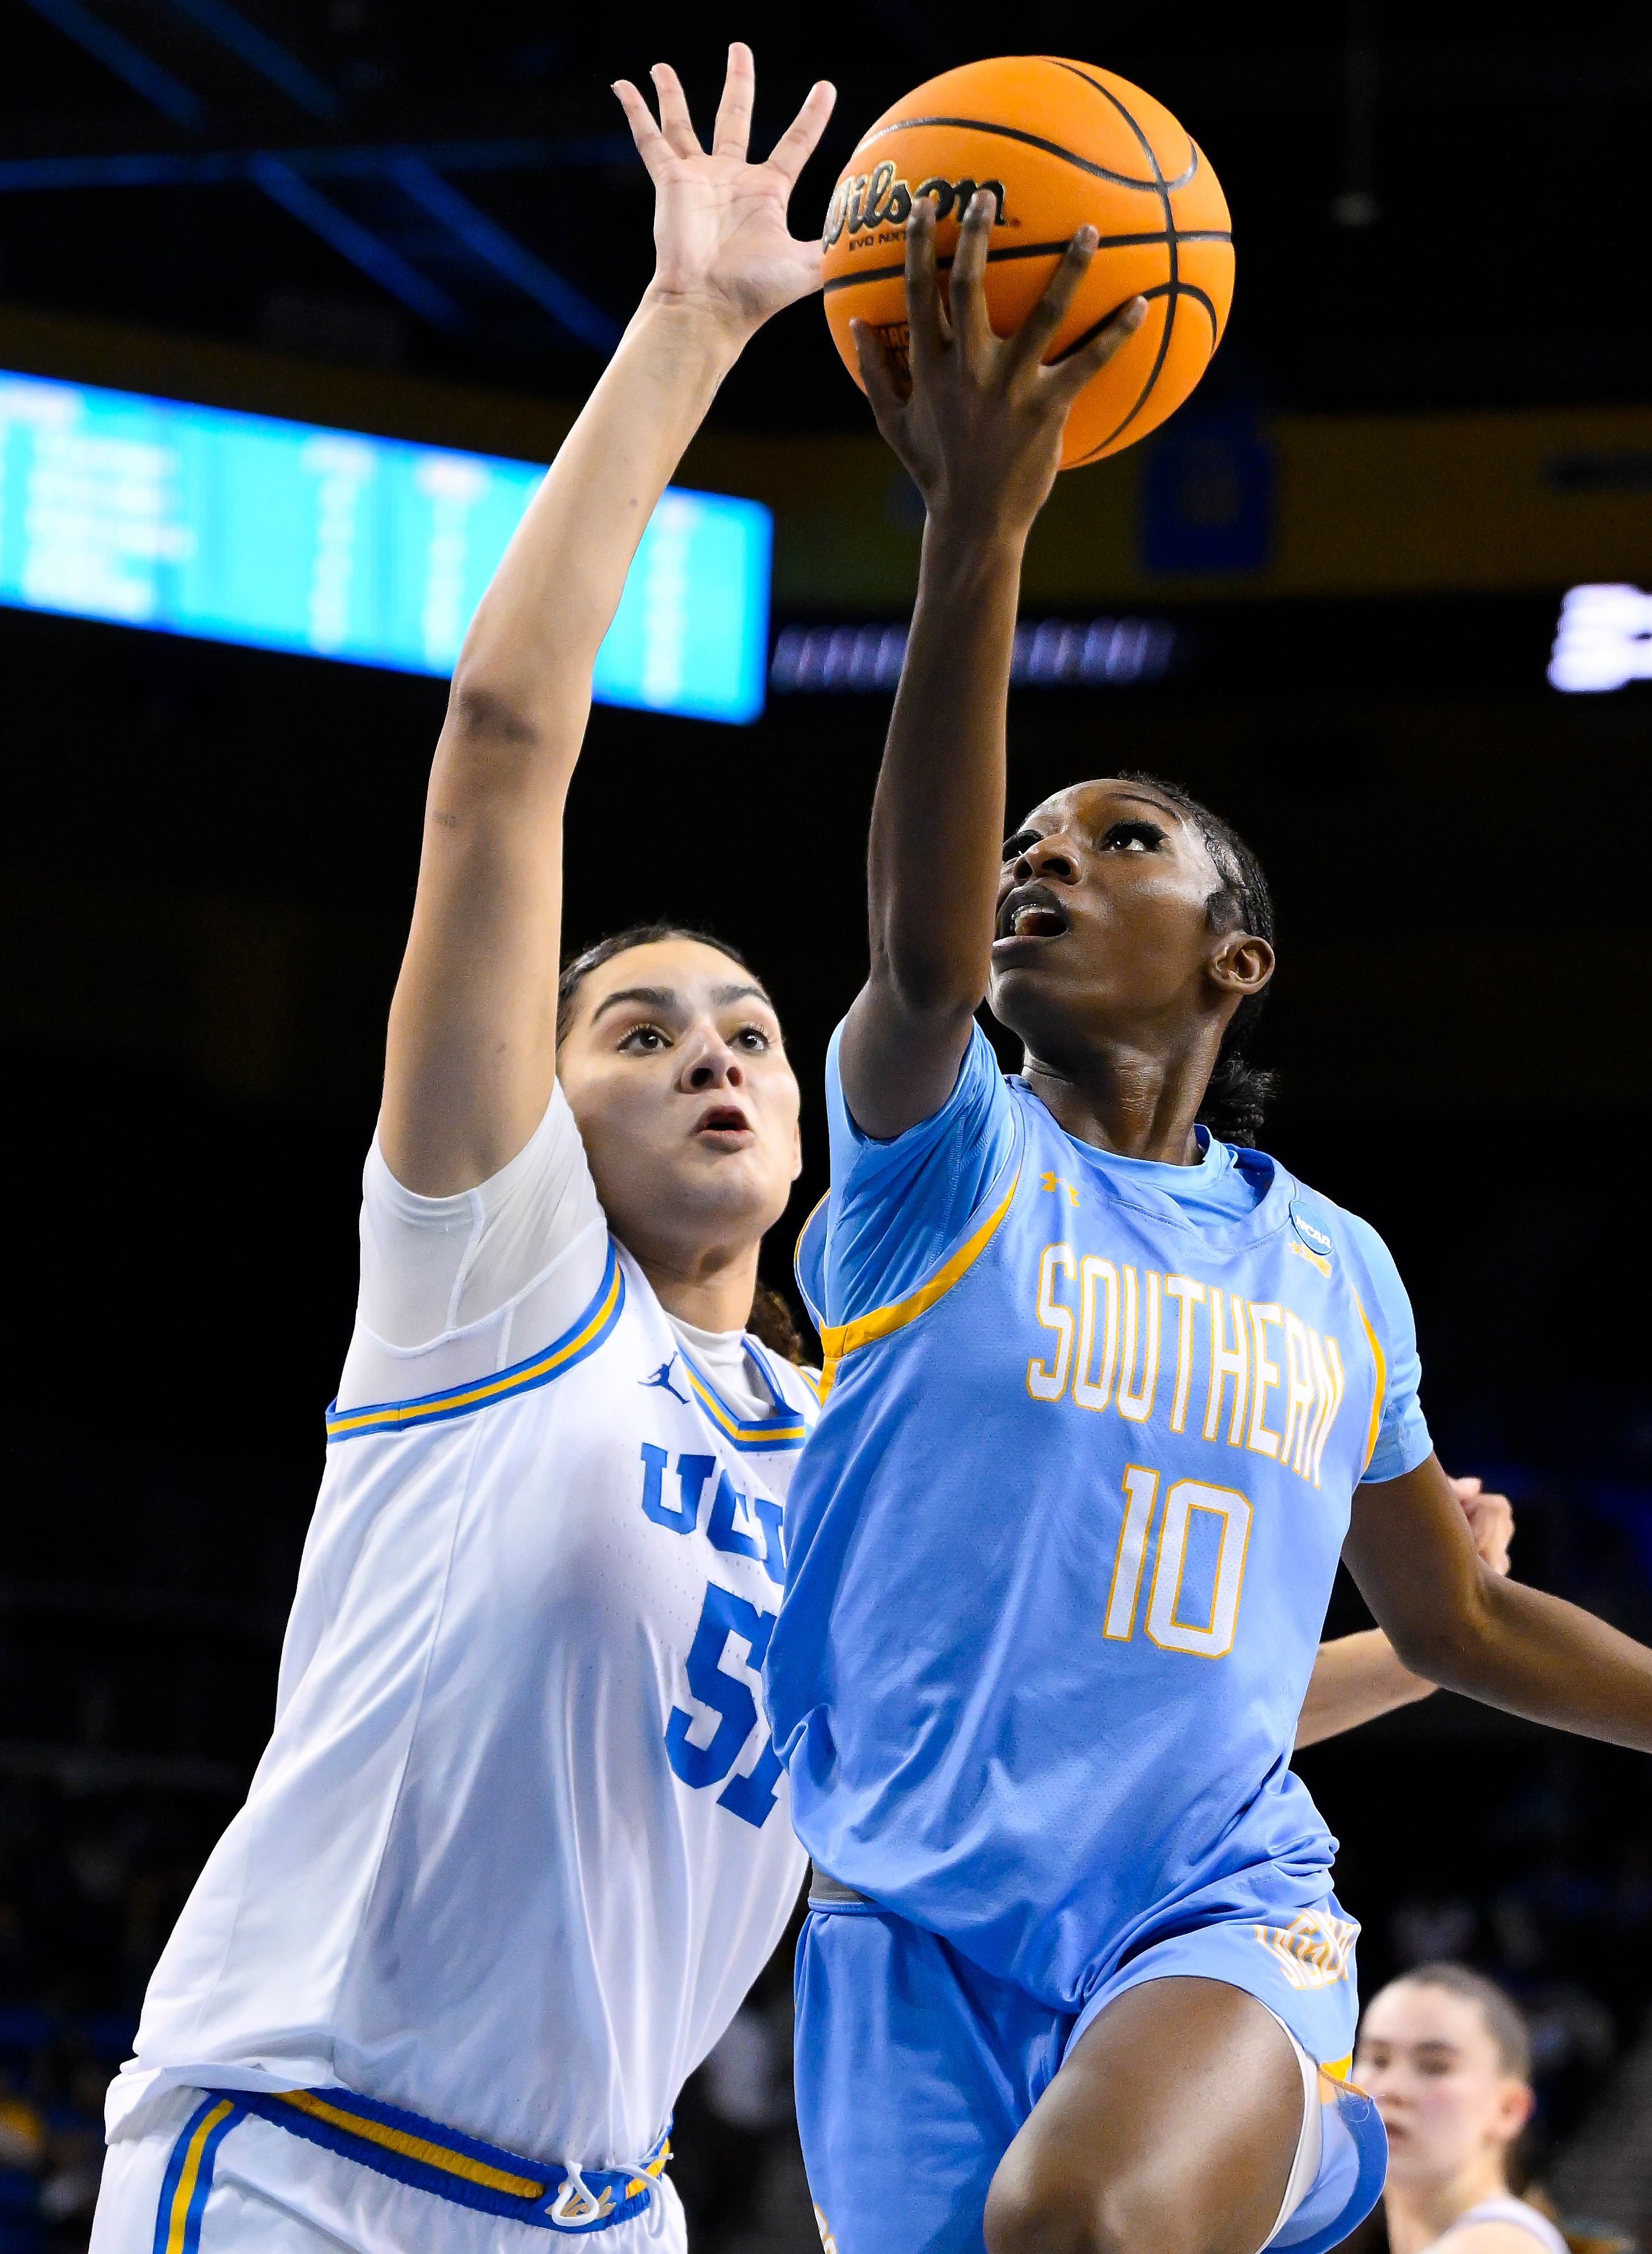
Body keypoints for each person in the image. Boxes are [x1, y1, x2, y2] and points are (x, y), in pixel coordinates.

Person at [82, 47, 1480, 2254]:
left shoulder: (843, 1436)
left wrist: (1418, 1643)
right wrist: (695, 321)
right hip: (308, 2164)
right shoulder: (492, 1292)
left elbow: (1066, 1718)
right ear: (542, 1117)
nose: (724, 1057)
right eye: (641, 1034)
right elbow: (503, 753)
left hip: (605, 2209)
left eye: (747, 1025)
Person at [766, 183, 1652, 2254]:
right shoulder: (940, 1163)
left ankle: (1323, 2155)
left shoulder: (1335, 1267)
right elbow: (918, 959)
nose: (1042, 863)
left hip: (1200, 1914)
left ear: (1236, 963)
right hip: (900, 1930)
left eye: (1115, 840)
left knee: (1083, 2228)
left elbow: (1467, 1626)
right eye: (1023, 839)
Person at [1357, 1966, 1564, 2254]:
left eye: (1434, 2067)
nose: (1392, 2089)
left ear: (1509, 2110)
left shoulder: (1507, 2245)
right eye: (1378, 2060)